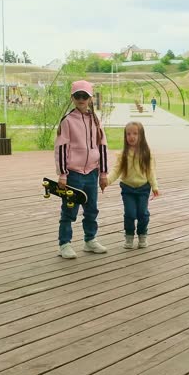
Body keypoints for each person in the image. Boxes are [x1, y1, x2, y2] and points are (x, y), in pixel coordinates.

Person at [53, 80, 109, 259]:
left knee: (92, 209)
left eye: (85, 96)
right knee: (69, 210)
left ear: (90, 99)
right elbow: (61, 148)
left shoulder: (95, 120)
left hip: (92, 173)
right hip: (73, 174)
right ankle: (65, 243)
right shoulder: (68, 121)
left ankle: (89, 240)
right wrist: (62, 174)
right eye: (78, 96)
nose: (81, 99)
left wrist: (103, 174)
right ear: (72, 98)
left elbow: (102, 146)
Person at [108, 121, 159, 249]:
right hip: (128, 189)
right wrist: (107, 180)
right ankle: (129, 236)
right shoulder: (123, 154)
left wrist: (155, 186)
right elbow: (116, 170)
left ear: (141, 135)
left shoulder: (146, 154)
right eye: (128, 134)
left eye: (135, 133)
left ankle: (142, 235)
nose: (132, 136)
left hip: (143, 189)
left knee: (143, 213)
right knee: (130, 213)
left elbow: (151, 171)